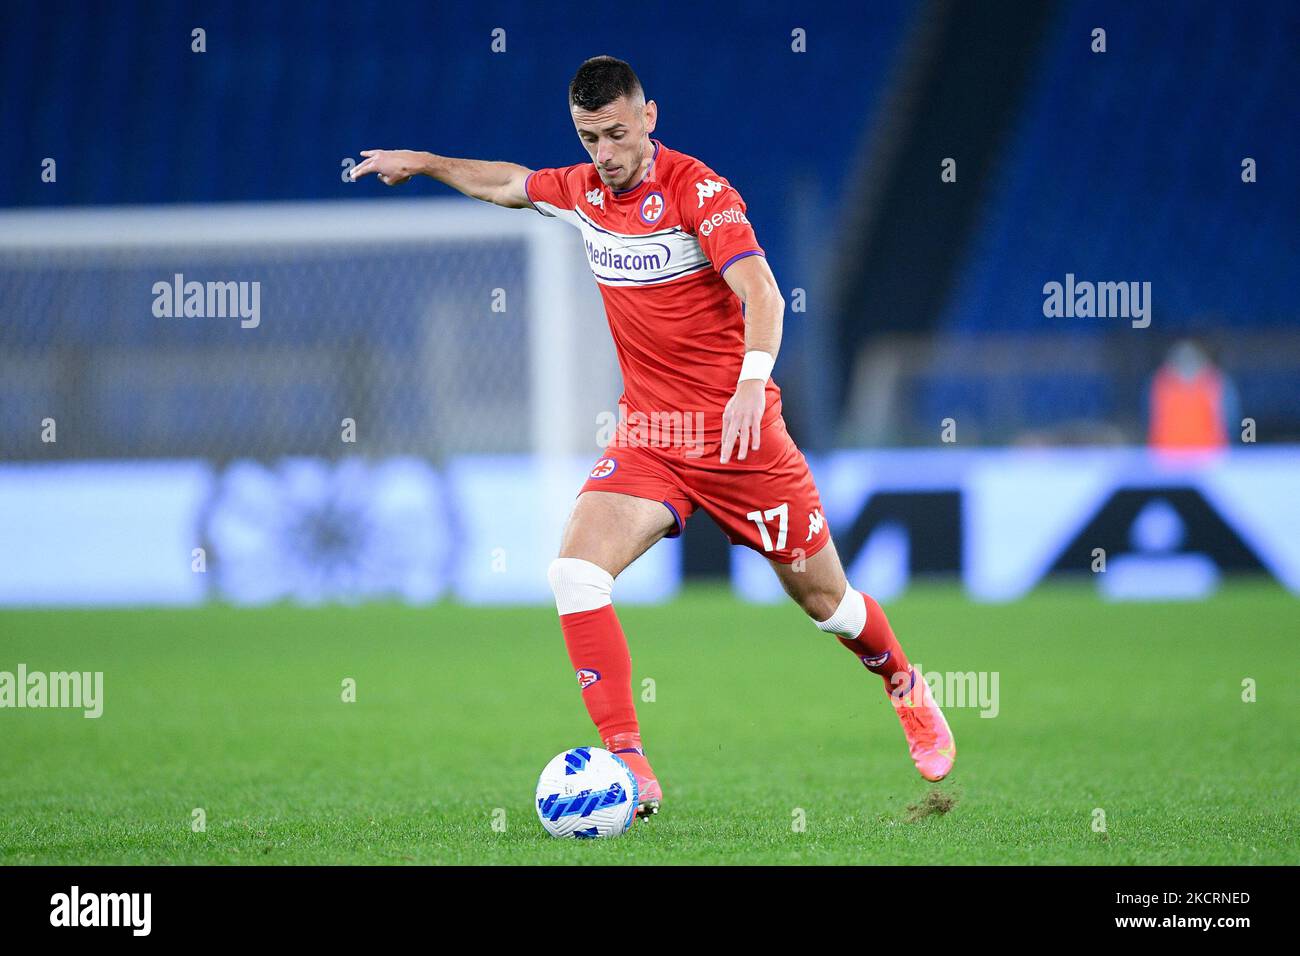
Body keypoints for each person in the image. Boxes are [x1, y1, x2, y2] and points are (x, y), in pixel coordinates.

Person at [351, 55, 955, 818]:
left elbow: (762, 291)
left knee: (827, 602)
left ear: (649, 118)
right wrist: (427, 163)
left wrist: (748, 383)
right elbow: (508, 182)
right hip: (652, 438)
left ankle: (901, 679)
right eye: (587, 138)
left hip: (745, 443)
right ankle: (631, 763)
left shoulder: (700, 193)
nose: (604, 155)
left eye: (615, 134)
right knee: (574, 573)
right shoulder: (581, 193)